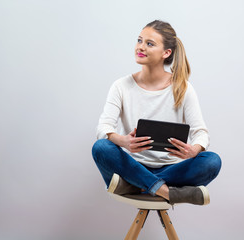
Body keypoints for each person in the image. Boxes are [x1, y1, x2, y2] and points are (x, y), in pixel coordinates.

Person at [91, 20, 221, 205]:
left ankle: (141, 186)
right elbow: (103, 127)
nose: (140, 47)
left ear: (166, 53)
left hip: (169, 171)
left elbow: (200, 133)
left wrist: (194, 150)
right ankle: (167, 192)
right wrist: (124, 142)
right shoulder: (121, 86)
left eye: (149, 43)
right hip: (132, 166)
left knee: (212, 161)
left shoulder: (183, 88)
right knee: (101, 147)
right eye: (139, 40)